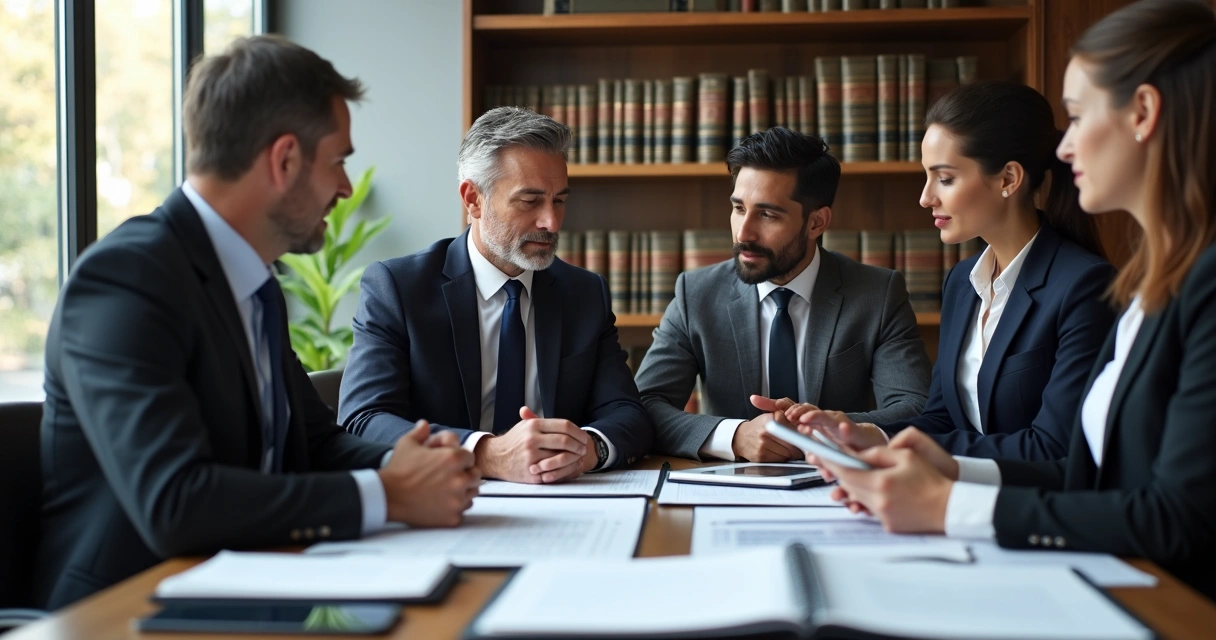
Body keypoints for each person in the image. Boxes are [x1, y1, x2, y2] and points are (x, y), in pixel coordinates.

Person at [33, 35, 480, 610]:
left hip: (250, 589)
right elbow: (176, 502)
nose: (346, 187)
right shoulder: (126, 279)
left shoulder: (252, 282)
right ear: (285, 159)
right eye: (338, 161)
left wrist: (421, 466)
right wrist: (387, 495)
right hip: (128, 609)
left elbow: (315, 445)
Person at [803, 0, 1216, 600]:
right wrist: (912, 455)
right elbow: (1082, 470)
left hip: (1161, 601)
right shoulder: (1150, 286)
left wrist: (950, 505)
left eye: (1077, 117)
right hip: (1101, 578)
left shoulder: (1165, 285)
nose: (1065, 148)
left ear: (1144, 112)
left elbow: (1170, 514)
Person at [783, 81, 1117, 460]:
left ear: (1008, 179)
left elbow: (1054, 448)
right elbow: (942, 418)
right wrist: (863, 433)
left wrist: (904, 450)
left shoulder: (1084, 285)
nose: (926, 197)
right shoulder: (963, 281)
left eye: (944, 178)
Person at [339, 107, 653, 484]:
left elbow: (627, 413)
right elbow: (364, 419)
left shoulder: (584, 293)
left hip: (562, 501)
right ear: (473, 199)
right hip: (445, 501)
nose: (551, 222)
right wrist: (484, 454)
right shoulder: (399, 288)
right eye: (530, 201)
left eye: (559, 200)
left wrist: (590, 448)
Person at [635, 127, 931, 463]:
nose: (743, 233)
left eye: (767, 214)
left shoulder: (877, 295)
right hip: (726, 494)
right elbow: (644, 406)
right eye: (738, 208)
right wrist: (733, 436)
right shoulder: (696, 294)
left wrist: (821, 432)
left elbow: (917, 407)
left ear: (816, 222)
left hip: (839, 487)